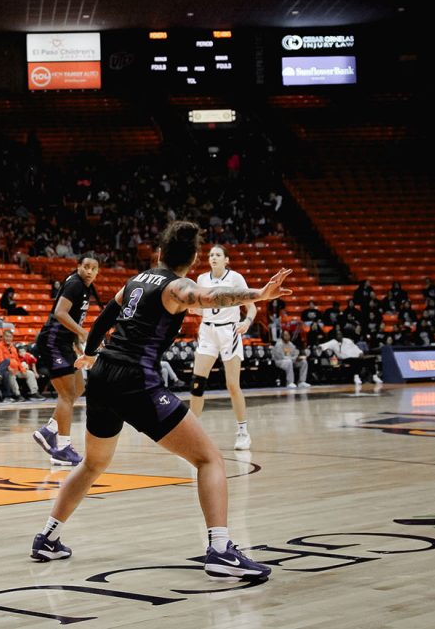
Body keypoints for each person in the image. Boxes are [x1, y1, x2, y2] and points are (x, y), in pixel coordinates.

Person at [27, 220, 291, 580]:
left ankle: (47, 537)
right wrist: (259, 294)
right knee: (209, 459)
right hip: (136, 380)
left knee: (92, 464)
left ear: (161, 254)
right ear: (195, 259)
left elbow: (107, 316)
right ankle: (220, 549)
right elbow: (213, 299)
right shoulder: (179, 286)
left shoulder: (136, 280)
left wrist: (90, 353)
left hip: (103, 374)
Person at [188, 245, 258, 451]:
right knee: (197, 383)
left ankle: (243, 432)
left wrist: (247, 322)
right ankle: (192, 436)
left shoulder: (235, 278)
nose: (213, 258)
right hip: (208, 332)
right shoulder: (201, 279)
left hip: (229, 333)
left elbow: (252, 306)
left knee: (232, 385)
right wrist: (197, 310)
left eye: (218, 255)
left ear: (226, 259)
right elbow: (205, 310)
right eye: (211, 255)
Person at [32, 255, 100, 466]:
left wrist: (79, 348)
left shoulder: (86, 288)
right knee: (67, 394)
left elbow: (72, 320)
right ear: (78, 267)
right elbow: (60, 313)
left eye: (93, 268)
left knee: (78, 387)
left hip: (65, 344)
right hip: (53, 342)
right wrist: (83, 334)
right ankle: (62, 448)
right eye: (85, 267)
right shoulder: (74, 284)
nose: (89, 271)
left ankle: (49, 430)